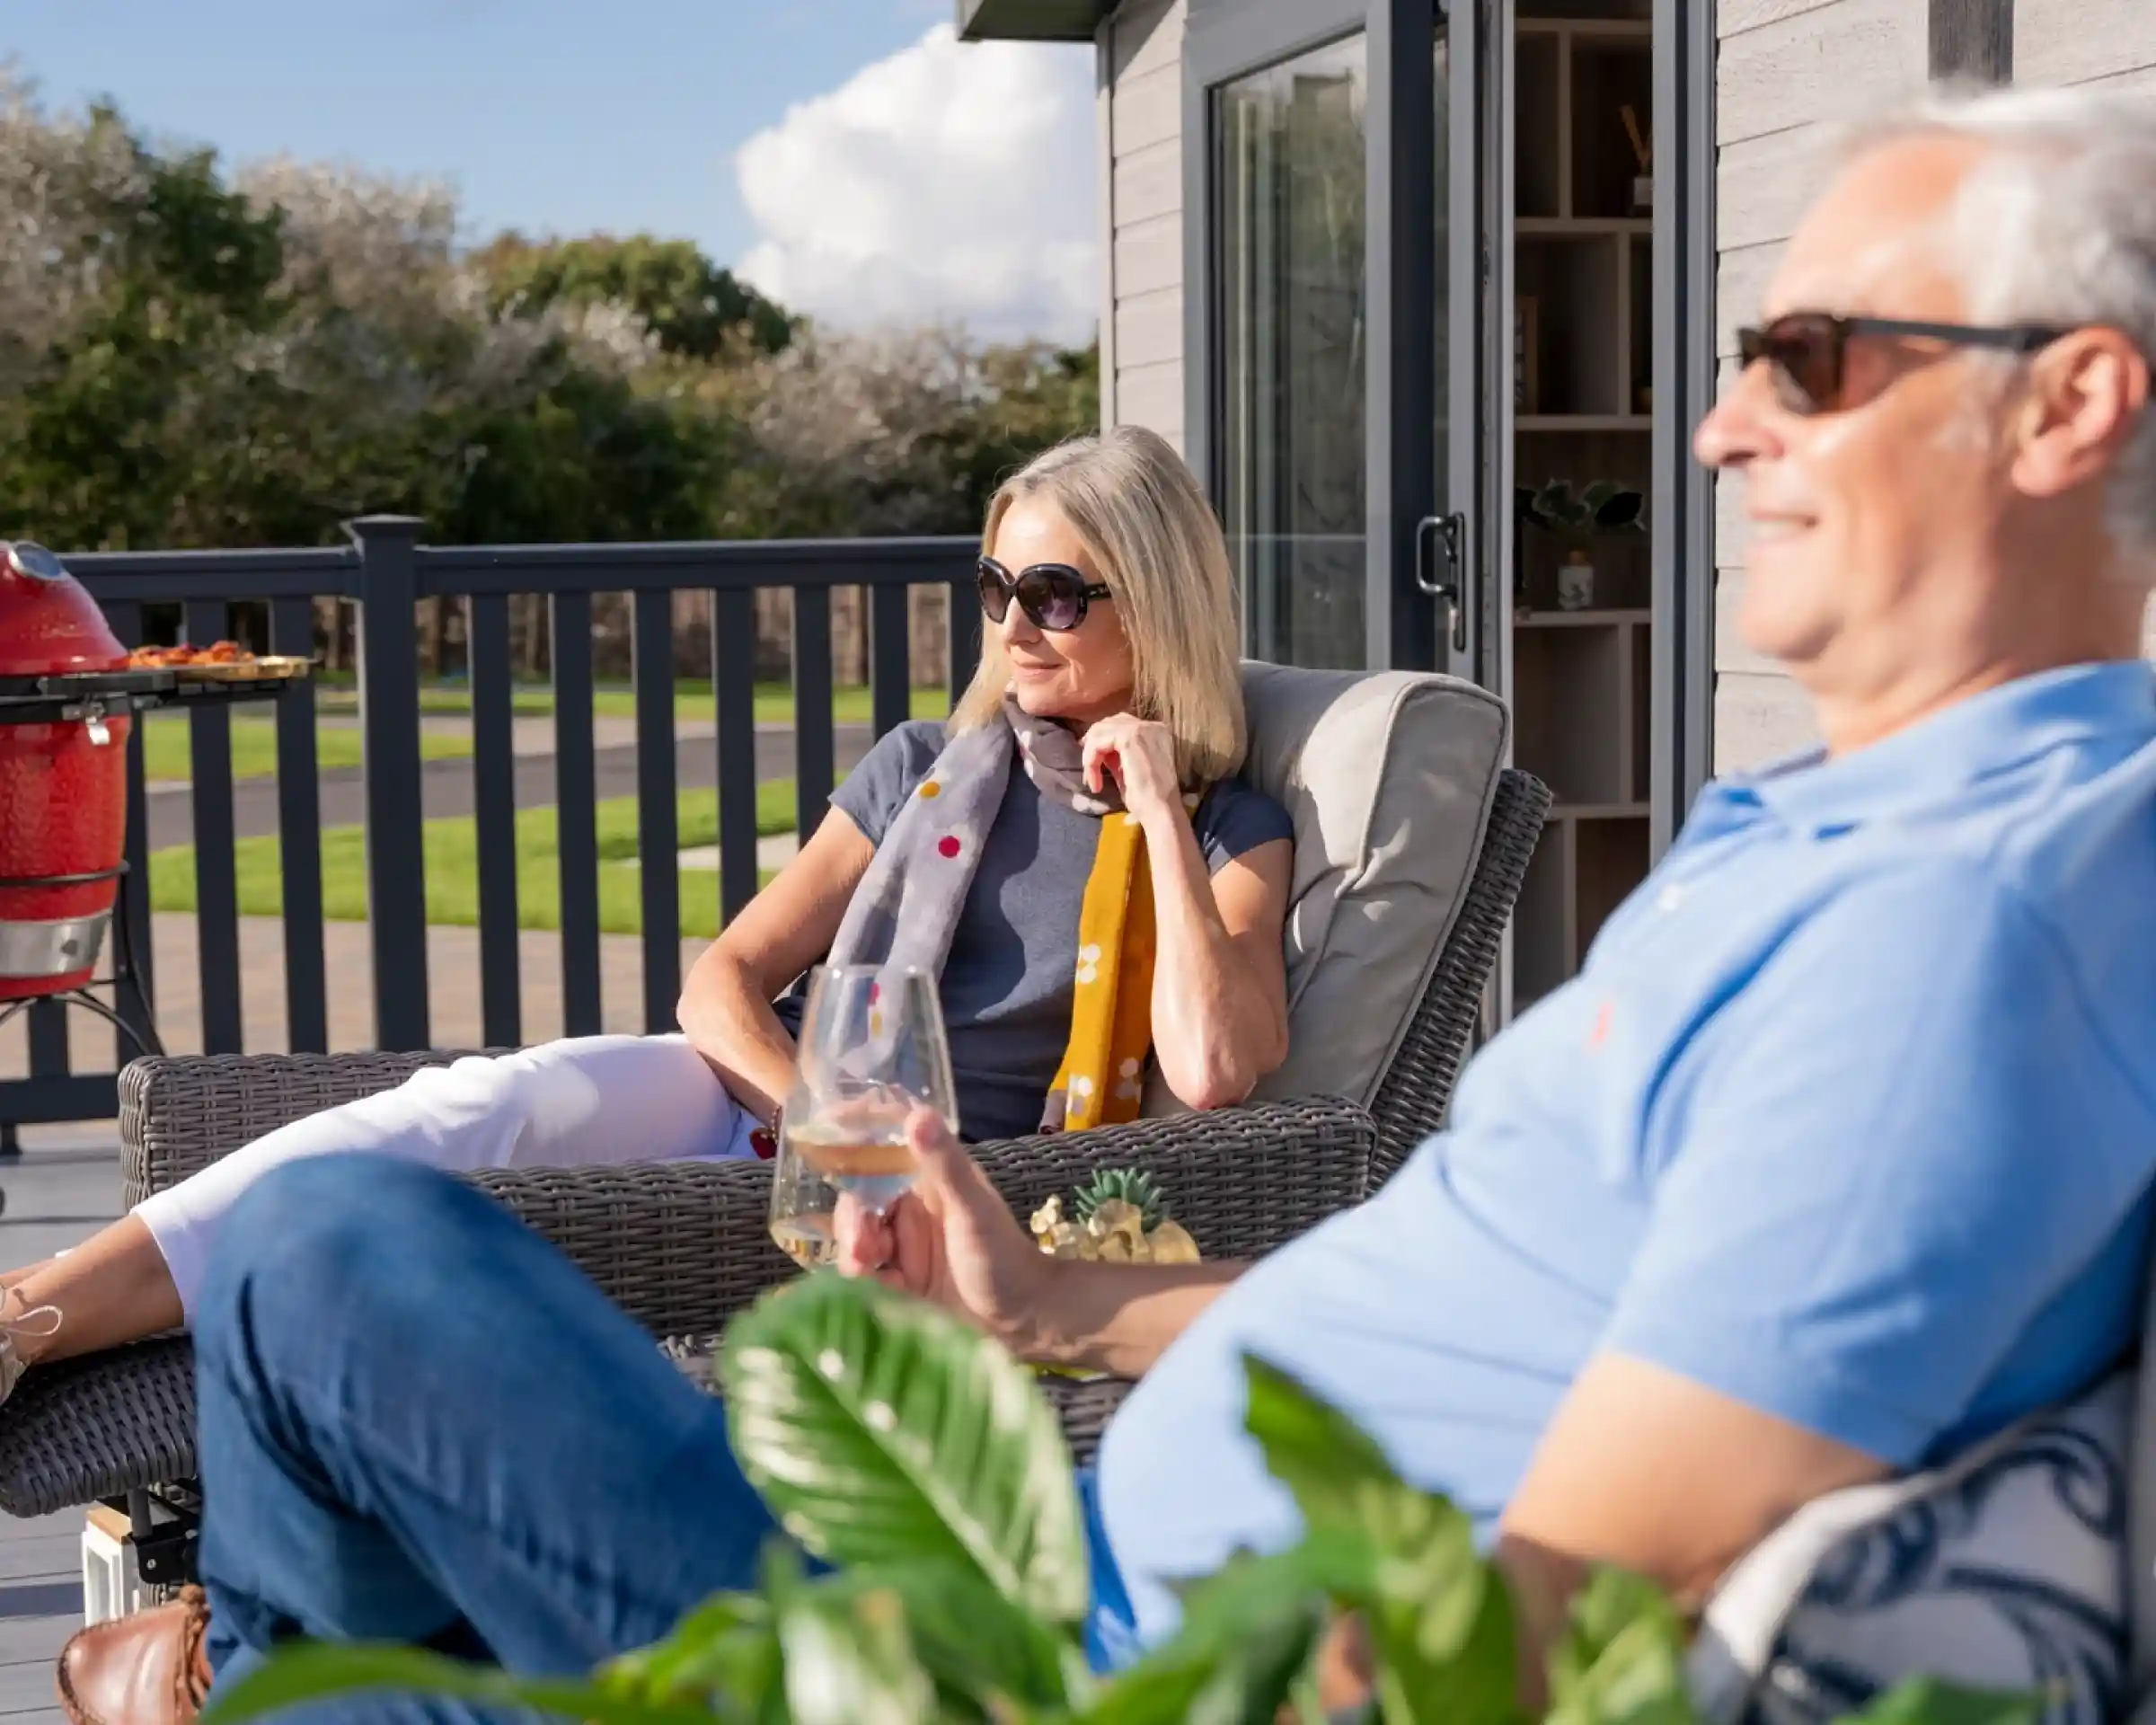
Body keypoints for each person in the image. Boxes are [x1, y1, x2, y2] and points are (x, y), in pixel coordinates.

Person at [53, 82, 2156, 1725]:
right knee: (402, 1212)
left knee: (333, 1255)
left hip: (1061, 1666)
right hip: (1043, 1545)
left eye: (1805, 358)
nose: (1716, 427)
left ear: (2067, 400)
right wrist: (1056, 1308)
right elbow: (1519, 1336)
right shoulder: (1824, 847)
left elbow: (1547, 1606)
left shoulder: (1969, 935)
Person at [0, 423, 1295, 1405]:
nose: (1017, 626)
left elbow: (1217, 1063)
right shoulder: (925, 766)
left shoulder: (1232, 827)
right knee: (474, 1111)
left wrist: (1159, 815)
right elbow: (722, 978)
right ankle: (34, 1315)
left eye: (1059, 596)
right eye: (997, 588)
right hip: (766, 1107)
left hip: (955, 1199)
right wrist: (830, 1129)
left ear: (1158, 600)